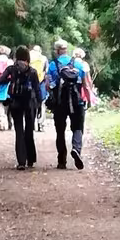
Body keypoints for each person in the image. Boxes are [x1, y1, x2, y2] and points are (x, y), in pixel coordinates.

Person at [44, 38, 88, 170]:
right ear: (66, 49)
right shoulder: (78, 64)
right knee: (78, 127)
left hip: (60, 102)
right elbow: (84, 84)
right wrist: (87, 98)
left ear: (57, 51)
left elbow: (47, 85)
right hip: (77, 101)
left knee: (60, 131)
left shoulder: (53, 65)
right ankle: (76, 149)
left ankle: (61, 160)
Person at [2, 46, 43, 169]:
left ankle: (21, 161)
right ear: (27, 57)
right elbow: (37, 89)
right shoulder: (32, 71)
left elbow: (0, 81)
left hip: (15, 102)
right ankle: (30, 158)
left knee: (19, 130)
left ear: (16, 56)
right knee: (29, 130)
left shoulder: (11, 69)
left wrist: (7, 82)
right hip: (30, 103)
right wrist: (39, 104)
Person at [28, 43, 47, 131]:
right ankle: (41, 124)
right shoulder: (43, 58)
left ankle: (31, 124)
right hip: (41, 83)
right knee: (42, 103)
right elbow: (46, 72)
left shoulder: (29, 57)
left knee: (30, 103)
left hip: (30, 83)